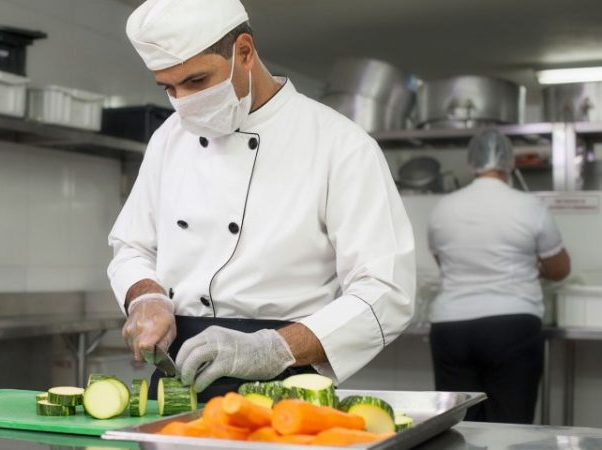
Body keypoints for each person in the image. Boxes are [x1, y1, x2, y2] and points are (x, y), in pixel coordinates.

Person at [108, 0, 416, 400]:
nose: (183, 101)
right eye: (169, 87)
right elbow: (132, 245)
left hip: (287, 378)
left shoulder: (340, 144)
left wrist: (275, 347)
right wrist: (146, 296)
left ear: (245, 51)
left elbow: (386, 290)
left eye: (197, 81)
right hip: (176, 377)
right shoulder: (169, 138)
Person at [427, 129, 571, 423]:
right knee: (510, 425)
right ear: (510, 163)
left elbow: (444, 263)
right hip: (513, 328)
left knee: (459, 426)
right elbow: (560, 269)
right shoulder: (530, 207)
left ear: (471, 163)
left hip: (451, 329)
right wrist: (530, 266)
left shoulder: (443, 208)